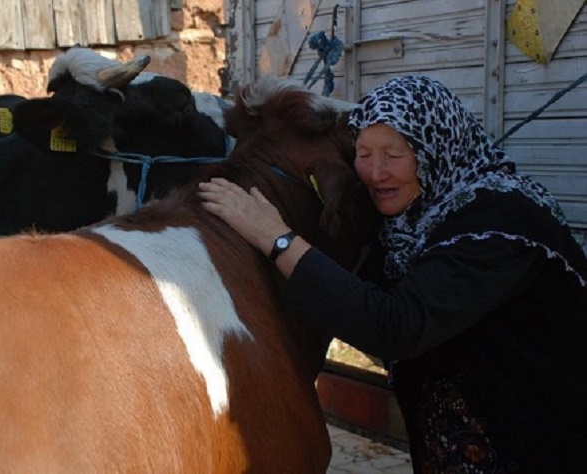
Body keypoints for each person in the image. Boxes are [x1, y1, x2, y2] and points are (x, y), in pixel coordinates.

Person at [199, 75, 587, 472]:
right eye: (363, 154)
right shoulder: (414, 220)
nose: (375, 172)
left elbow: (395, 326)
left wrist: (276, 238)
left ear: (435, 147)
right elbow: (361, 287)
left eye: (393, 155)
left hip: (540, 438)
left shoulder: (498, 221)